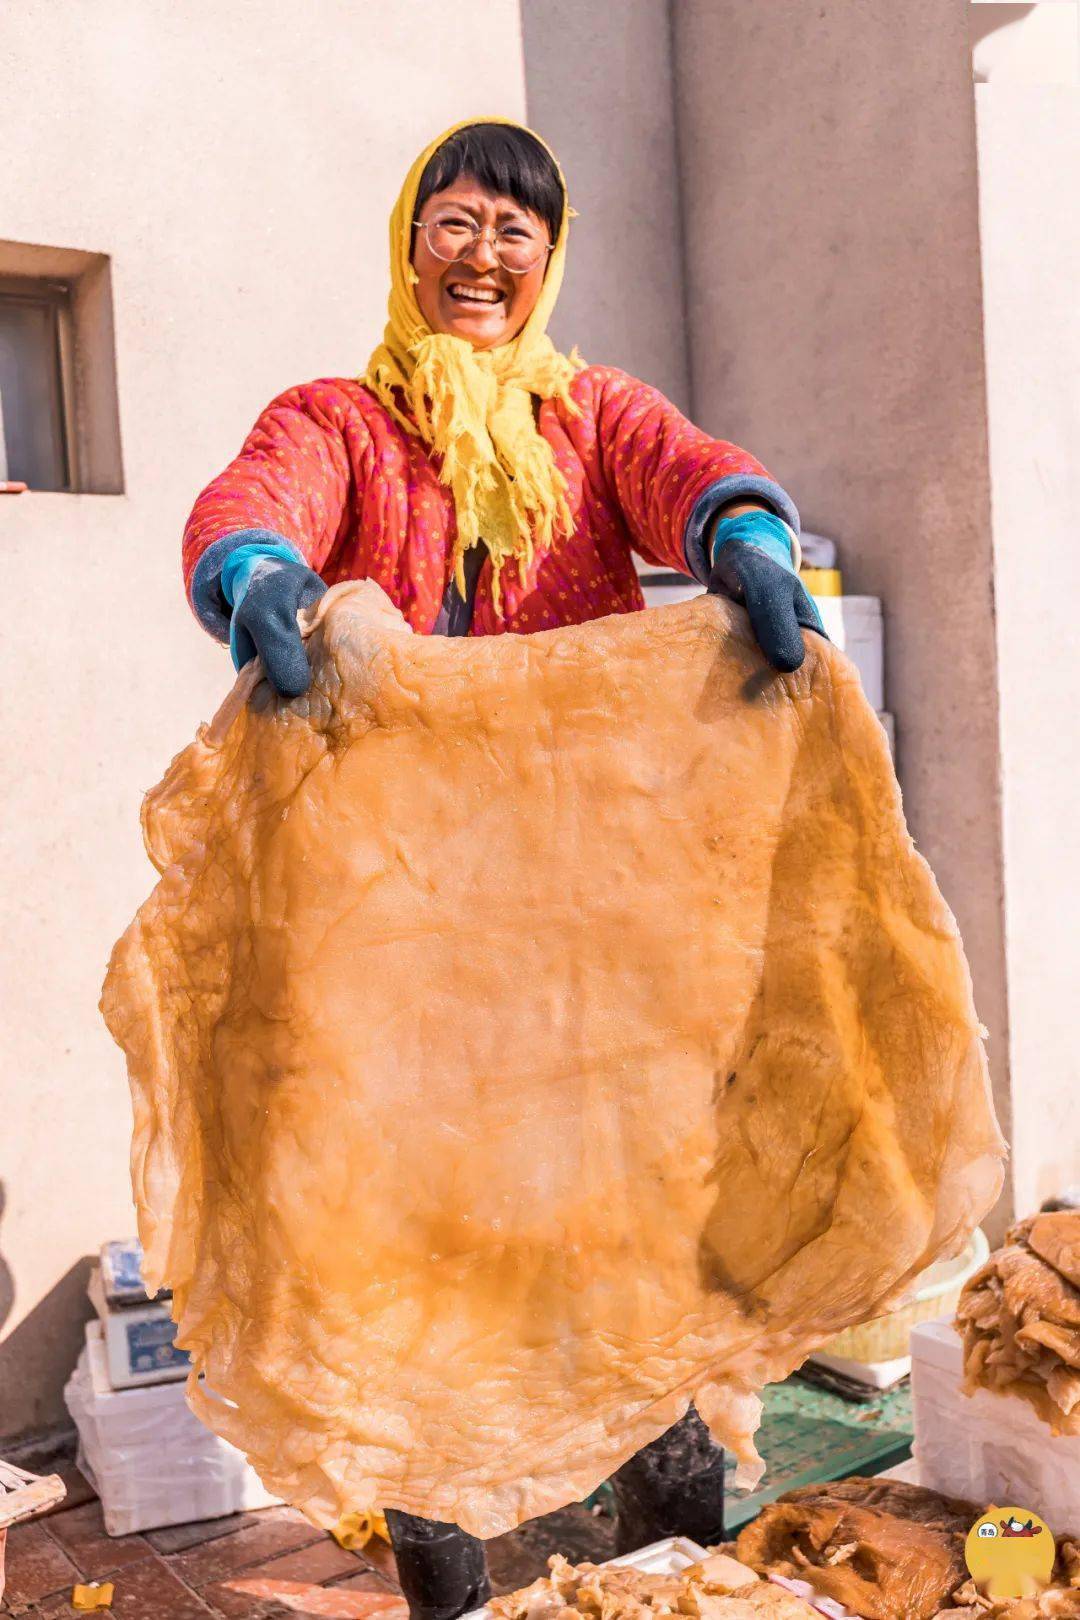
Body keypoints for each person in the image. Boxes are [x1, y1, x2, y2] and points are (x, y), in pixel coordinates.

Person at [181, 119, 823, 1620]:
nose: (483, 256)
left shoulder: (591, 416)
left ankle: (668, 1564)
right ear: (413, 241)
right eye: (456, 223)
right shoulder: (340, 418)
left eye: (515, 231)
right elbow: (253, 498)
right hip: (409, 934)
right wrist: (258, 576)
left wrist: (741, 535)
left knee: (634, 1236)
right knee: (431, 1255)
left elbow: (692, 472)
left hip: (596, 920)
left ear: (552, 254)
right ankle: (454, 1583)